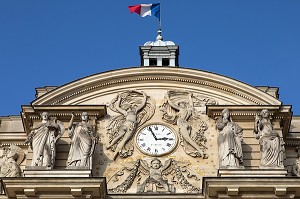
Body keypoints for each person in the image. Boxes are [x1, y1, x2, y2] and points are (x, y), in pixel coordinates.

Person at [107, 91, 147, 160]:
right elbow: (142, 104)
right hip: (131, 125)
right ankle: (113, 150)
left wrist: (144, 97)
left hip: (126, 124)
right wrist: (144, 97)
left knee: (119, 136)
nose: (131, 106)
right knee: (123, 140)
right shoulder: (134, 111)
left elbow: (117, 107)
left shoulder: (126, 112)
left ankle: (111, 146)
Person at [165, 92, 205, 158]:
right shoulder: (188, 110)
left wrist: (167, 97)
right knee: (187, 140)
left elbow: (172, 105)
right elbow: (191, 105)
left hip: (182, 124)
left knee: (188, 139)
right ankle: (199, 150)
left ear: (182, 105)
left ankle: (200, 151)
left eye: (179, 104)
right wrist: (190, 97)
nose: (178, 105)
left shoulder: (182, 109)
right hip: (186, 124)